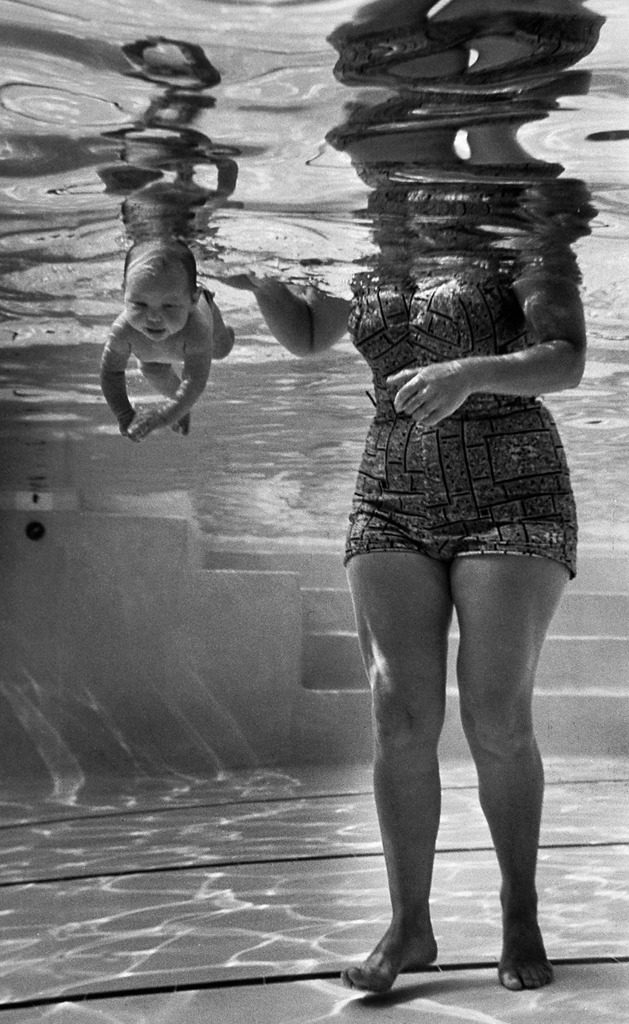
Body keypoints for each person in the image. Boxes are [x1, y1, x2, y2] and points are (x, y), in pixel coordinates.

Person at [230, 256, 586, 995]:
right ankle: (408, 927)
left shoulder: (514, 228)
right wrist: (260, 275)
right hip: (389, 490)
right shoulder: (362, 245)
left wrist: (465, 372)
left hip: (513, 492)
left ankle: (519, 911)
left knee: (495, 718)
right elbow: (307, 333)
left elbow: (564, 358)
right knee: (397, 714)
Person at [100, 240, 234, 441]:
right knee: (152, 370)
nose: (153, 317)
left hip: (207, 316)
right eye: (139, 304)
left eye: (169, 306)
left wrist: (163, 417)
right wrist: (124, 414)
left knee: (220, 350)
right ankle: (180, 408)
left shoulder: (197, 329)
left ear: (192, 300)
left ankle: (227, 334)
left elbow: (194, 381)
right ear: (123, 294)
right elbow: (111, 373)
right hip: (152, 358)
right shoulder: (123, 331)